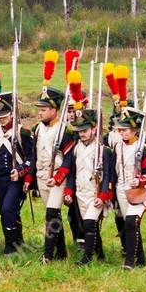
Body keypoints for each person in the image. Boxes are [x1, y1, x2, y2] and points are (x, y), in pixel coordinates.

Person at [26, 58, 77, 262]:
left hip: (57, 178)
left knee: (51, 214)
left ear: (55, 110)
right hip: (41, 176)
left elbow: (68, 159)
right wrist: (30, 179)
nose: (40, 112)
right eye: (39, 109)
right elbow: (34, 155)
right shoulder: (38, 129)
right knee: (54, 215)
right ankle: (62, 252)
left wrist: (58, 177)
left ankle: (47, 255)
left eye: (44, 109)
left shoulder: (65, 130)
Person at [52, 107, 114, 266]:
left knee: (89, 223)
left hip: (96, 193)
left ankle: (87, 258)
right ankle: (100, 255)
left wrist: (103, 195)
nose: (82, 133)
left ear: (94, 129)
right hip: (80, 193)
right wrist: (68, 191)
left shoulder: (103, 151)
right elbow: (72, 174)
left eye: (85, 130)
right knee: (88, 224)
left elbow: (107, 176)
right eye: (79, 130)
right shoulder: (75, 149)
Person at [0, 78, 33, 255]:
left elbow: (30, 157)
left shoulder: (21, 132)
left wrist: (20, 171)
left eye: (4, 116)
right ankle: (16, 242)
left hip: (15, 178)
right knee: (5, 211)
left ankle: (11, 245)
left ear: (11, 113)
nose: (1, 120)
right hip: (0, 177)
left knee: (8, 208)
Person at [112, 104, 146, 269]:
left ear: (135, 130)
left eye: (126, 129)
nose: (123, 132)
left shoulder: (143, 149)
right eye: (121, 130)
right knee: (131, 224)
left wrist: (141, 180)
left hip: (138, 190)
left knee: (131, 221)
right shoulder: (116, 147)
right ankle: (140, 259)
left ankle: (130, 261)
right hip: (121, 189)